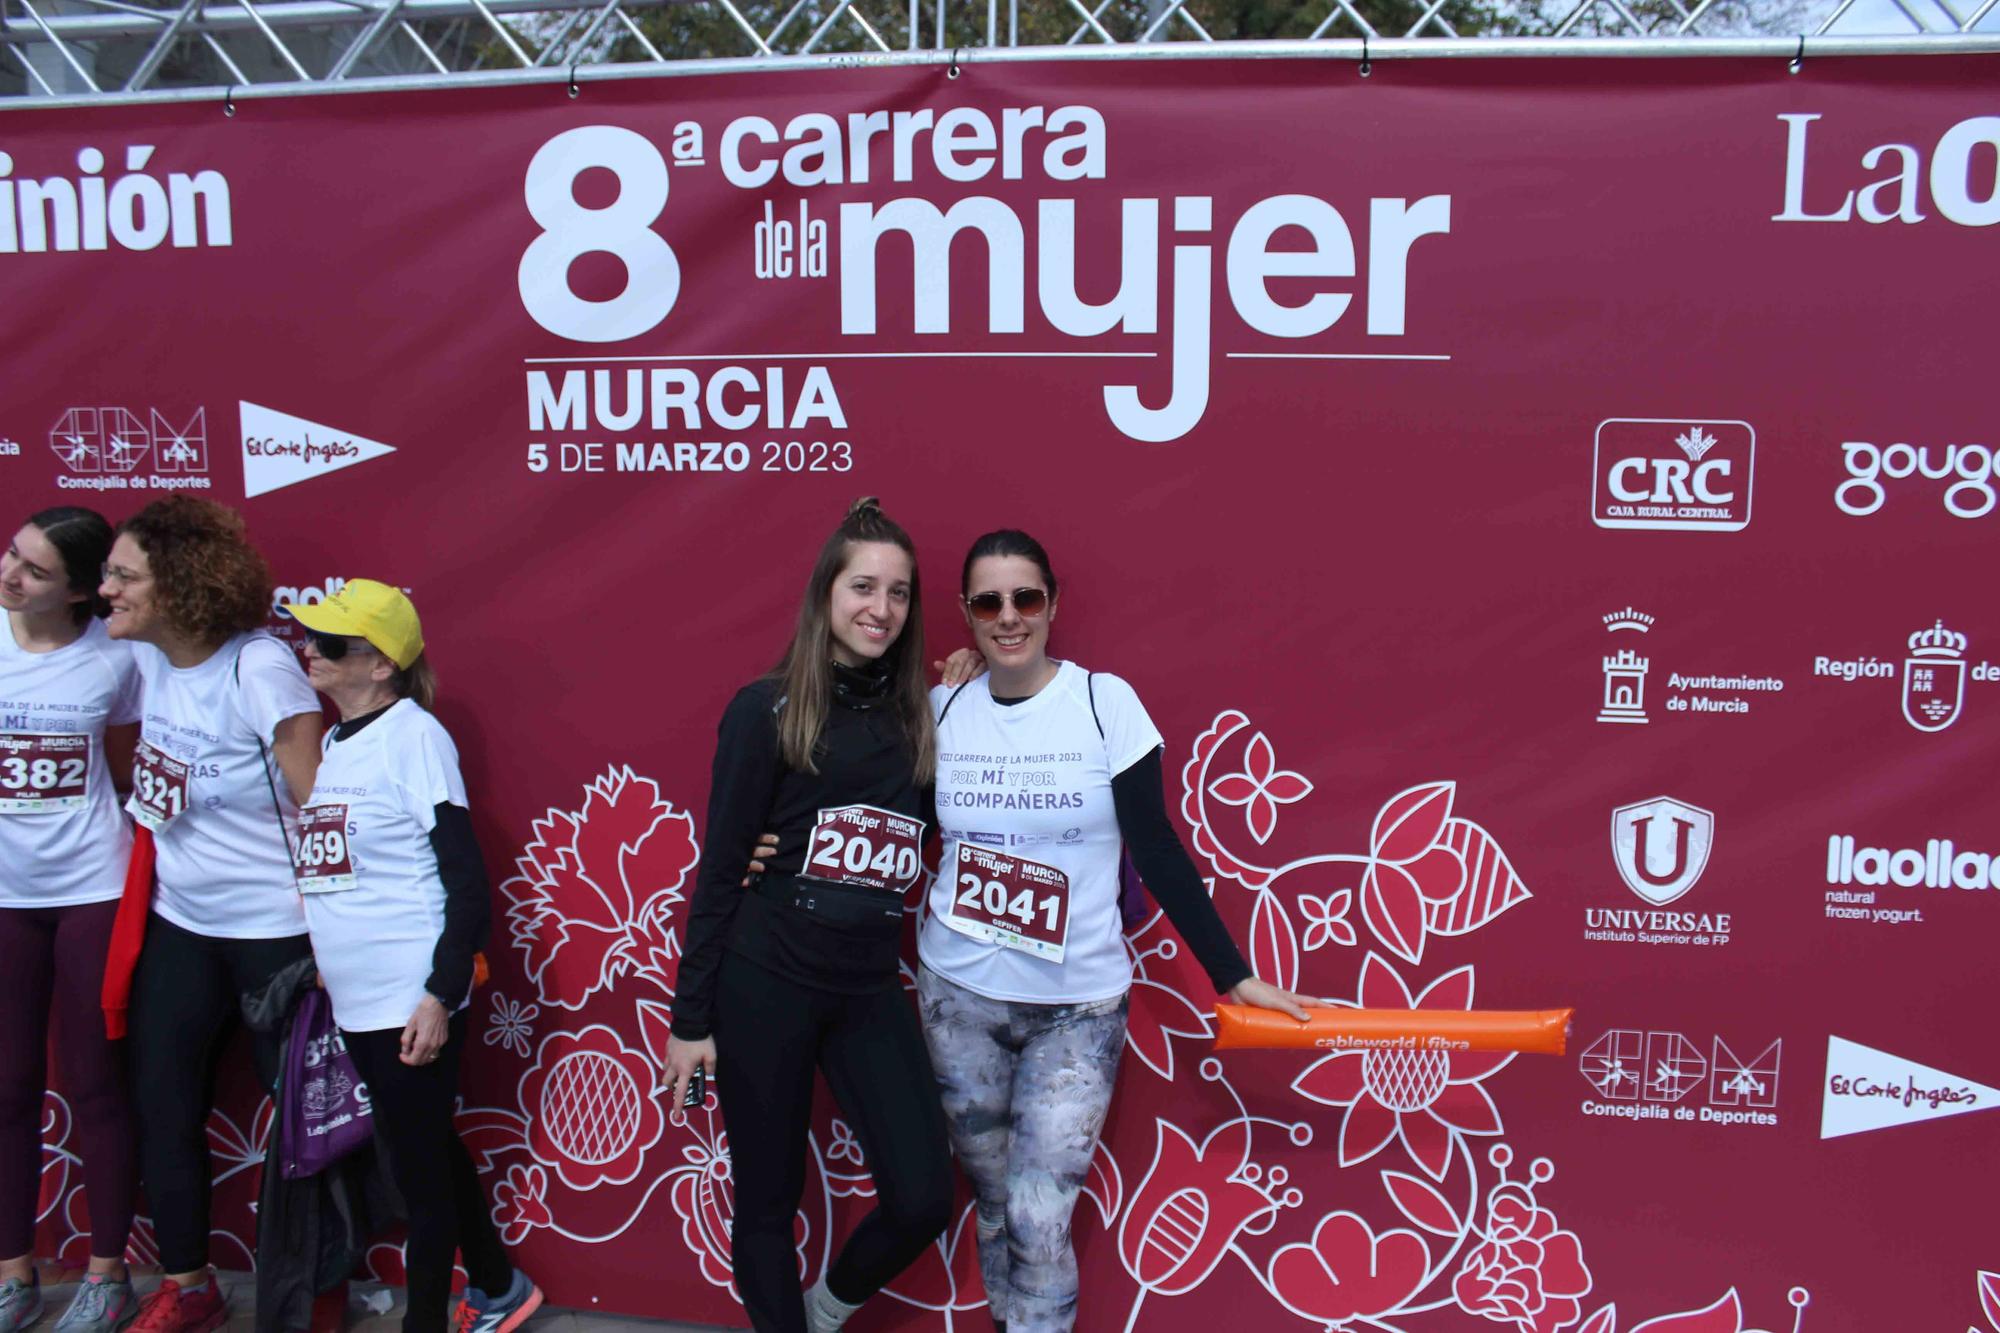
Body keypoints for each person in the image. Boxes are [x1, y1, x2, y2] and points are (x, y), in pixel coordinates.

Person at [917, 529, 1312, 1333]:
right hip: (956, 997)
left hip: (1077, 1008)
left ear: (1053, 603)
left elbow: (1158, 845)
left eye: (1025, 597)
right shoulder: (942, 708)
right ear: (966, 614)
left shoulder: (1104, 703)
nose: (1009, 617)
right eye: (989, 602)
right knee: (995, 1203)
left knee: (1037, 1214)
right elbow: (898, 827)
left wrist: (1231, 972)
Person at [664, 499, 953, 1333]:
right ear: (826, 592)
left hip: (866, 988)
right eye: (863, 585)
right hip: (765, 982)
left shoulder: (920, 719)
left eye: (899, 593)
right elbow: (719, 872)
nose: (881, 608)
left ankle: (821, 1313)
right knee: (766, 1201)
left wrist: (965, 681)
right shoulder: (763, 711)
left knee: (924, 1193)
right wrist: (690, 1018)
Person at [283, 579, 541, 1333]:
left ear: (380, 664)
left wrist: (439, 991)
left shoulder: (415, 735)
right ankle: (499, 1284)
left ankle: (427, 1321)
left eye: (330, 644)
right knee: (423, 1147)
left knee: (418, 1177)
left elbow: (466, 881)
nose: (311, 650)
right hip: (358, 998)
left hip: (409, 995)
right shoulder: (334, 743)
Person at [100, 497, 322, 1333]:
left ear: (182, 587)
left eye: (124, 575)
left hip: (276, 930)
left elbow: (321, 807)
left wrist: (338, 933)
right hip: (180, 922)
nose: (105, 589)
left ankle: (313, 1292)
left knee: (309, 1125)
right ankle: (188, 1282)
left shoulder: (258, 668)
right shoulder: (147, 657)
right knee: (162, 1103)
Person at [0, 509, 142, 1333]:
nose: (13, 575)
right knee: (9, 1085)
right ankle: (15, 1273)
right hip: (6, 899)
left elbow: (128, 768)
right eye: (13, 553)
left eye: (37, 571)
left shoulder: (116, 661)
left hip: (92, 885)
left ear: (84, 591)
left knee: (95, 1084)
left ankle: (105, 1272)